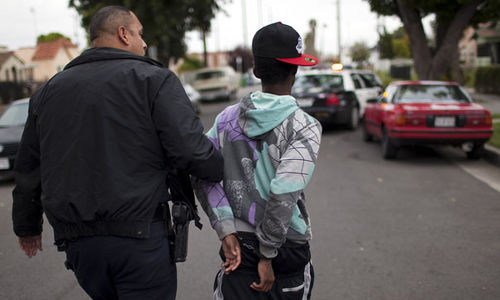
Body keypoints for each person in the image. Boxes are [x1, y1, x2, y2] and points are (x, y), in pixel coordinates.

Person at [12, 5, 223, 300]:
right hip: (139, 239)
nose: (144, 43)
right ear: (123, 34)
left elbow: (29, 167)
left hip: (79, 245)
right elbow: (192, 150)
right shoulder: (153, 80)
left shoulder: (48, 92)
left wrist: (26, 225)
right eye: (139, 34)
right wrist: (223, 168)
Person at [193, 22, 322, 299]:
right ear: (295, 70)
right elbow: (283, 191)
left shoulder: (225, 120)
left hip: (237, 248)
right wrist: (267, 256)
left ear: (256, 70)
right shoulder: (304, 125)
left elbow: (201, 171)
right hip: (284, 248)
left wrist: (225, 228)